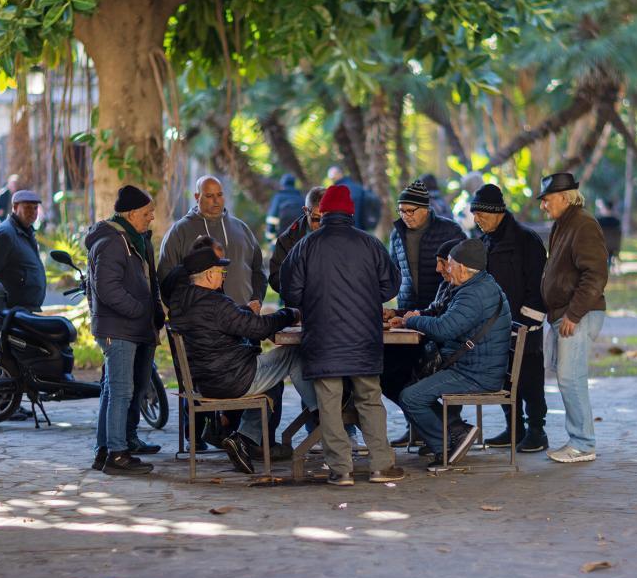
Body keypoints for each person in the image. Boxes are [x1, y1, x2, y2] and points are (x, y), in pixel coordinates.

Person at [280, 184, 404, 486]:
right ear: (350, 212)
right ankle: (380, 466)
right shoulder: (370, 244)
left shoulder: (306, 246)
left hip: (322, 339)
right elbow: (390, 287)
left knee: (329, 403)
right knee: (370, 399)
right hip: (364, 339)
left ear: (322, 213)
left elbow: (290, 291)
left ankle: (341, 470)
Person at [167, 245, 317, 474]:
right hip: (234, 378)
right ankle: (323, 415)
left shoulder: (181, 303)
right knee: (294, 353)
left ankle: (243, 440)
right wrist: (291, 313)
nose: (223, 276)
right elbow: (258, 328)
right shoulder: (216, 303)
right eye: (221, 272)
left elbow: (231, 321)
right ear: (209, 274)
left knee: (272, 382)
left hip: (206, 381)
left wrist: (242, 312)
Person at [394, 239, 512, 471]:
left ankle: (445, 447)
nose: (446, 269)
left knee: (411, 397)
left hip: (475, 374)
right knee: (400, 380)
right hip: (474, 366)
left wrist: (411, 320)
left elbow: (443, 329)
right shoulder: (478, 285)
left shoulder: (474, 294)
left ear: (463, 267)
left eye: (449, 264)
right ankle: (455, 430)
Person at [86, 185, 164, 475]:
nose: (151, 217)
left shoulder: (135, 239)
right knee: (121, 391)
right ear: (130, 214)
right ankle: (117, 455)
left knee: (114, 390)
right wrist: (139, 309)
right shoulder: (111, 241)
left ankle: (106, 449)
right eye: (147, 213)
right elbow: (107, 288)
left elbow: (148, 278)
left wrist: (152, 309)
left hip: (131, 327)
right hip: (118, 328)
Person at [471, 183, 551, 452]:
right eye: (474, 214)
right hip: (494, 327)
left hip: (525, 326)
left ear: (496, 212)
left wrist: (527, 323)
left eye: (480, 214)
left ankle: (537, 430)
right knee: (505, 378)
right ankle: (513, 428)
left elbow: (539, 285)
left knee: (529, 378)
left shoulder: (526, 241)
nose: (476, 220)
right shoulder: (483, 242)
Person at [538, 173, 609, 463]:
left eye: (547, 199)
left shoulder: (583, 224)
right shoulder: (564, 225)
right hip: (565, 314)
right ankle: (579, 441)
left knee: (571, 378)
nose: (543, 205)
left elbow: (596, 274)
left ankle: (582, 444)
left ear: (565, 197)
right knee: (566, 377)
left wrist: (573, 314)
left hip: (577, 314)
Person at [382, 237, 462, 449]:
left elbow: (443, 326)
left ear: (456, 263)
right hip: (437, 349)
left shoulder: (464, 291)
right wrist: (400, 314)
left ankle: (449, 428)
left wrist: (412, 320)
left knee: (392, 375)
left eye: (442, 263)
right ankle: (431, 427)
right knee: (386, 370)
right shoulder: (448, 284)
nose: (437, 269)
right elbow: (433, 311)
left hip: (448, 357)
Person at [159, 175, 266, 307]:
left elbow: (258, 270)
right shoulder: (179, 232)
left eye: (220, 194)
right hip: (201, 321)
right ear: (197, 197)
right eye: (209, 196)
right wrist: (182, 312)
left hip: (245, 316)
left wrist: (257, 299)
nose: (216, 200)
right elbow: (166, 278)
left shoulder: (242, 228)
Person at [389, 178, 466, 312]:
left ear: (425, 209)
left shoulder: (450, 230)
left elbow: (465, 272)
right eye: (401, 210)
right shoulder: (397, 234)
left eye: (410, 210)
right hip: (407, 309)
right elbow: (393, 272)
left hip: (442, 309)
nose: (405, 216)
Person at [0, 190, 46, 311]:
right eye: (27, 208)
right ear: (14, 207)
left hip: (25, 310)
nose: (32, 212)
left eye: (35, 208)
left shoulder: (26, 231)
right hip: (11, 312)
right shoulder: (6, 233)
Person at [268, 186, 325, 298]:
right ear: (305, 211)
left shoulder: (342, 234)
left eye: (327, 217)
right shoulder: (287, 239)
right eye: (316, 218)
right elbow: (275, 278)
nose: (321, 224)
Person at [266, 173, 304, 242]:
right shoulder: (301, 199)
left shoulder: (278, 198)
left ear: (283, 184)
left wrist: (270, 240)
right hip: (298, 241)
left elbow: (272, 219)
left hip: (282, 239)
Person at [595, 199, 622, 268]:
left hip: (602, 245)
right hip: (613, 247)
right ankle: (609, 264)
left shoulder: (600, 220)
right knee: (610, 247)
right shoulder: (616, 221)